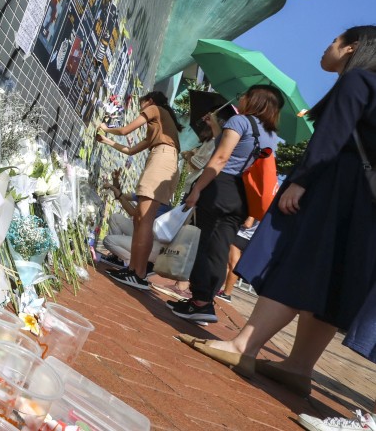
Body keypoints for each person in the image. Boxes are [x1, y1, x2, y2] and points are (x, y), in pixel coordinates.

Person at [178, 26, 376, 404]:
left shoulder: (357, 83)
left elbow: (330, 137)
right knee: (329, 280)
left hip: (334, 187)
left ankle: (243, 345)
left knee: (297, 263)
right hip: (366, 202)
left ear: (352, 47)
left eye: (334, 40)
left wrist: (301, 180)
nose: (327, 45)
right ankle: (299, 367)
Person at [170, 84, 283, 324]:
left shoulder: (240, 122)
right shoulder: (271, 135)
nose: (241, 98)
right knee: (220, 247)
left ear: (256, 100)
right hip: (243, 196)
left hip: (219, 187)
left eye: (246, 95)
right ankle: (205, 301)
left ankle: (199, 302)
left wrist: (197, 189)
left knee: (204, 243)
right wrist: (215, 125)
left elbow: (221, 158)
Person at [96, 91, 182, 289]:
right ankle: (135, 270)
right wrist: (107, 140)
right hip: (162, 159)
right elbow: (130, 150)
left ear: (149, 101)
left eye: (141, 105)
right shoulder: (158, 130)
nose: (140, 109)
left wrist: (106, 128)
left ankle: (138, 272)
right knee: (140, 219)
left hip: (162, 159)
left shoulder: (155, 109)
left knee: (144, 219)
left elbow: (126, 130)